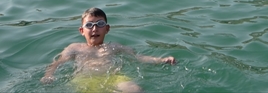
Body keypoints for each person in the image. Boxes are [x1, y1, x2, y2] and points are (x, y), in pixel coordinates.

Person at [42, 7, 176, 91]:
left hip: (113, 77)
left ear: (107, 29)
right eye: (89, 25)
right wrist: (48, 75)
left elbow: (137, 57)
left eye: (100, 24)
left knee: (135, 90)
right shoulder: (75, 48)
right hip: (84, 79)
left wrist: (161, 60)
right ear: (82, 31)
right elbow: (58, 63)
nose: (95, 29)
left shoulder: (114, 47)